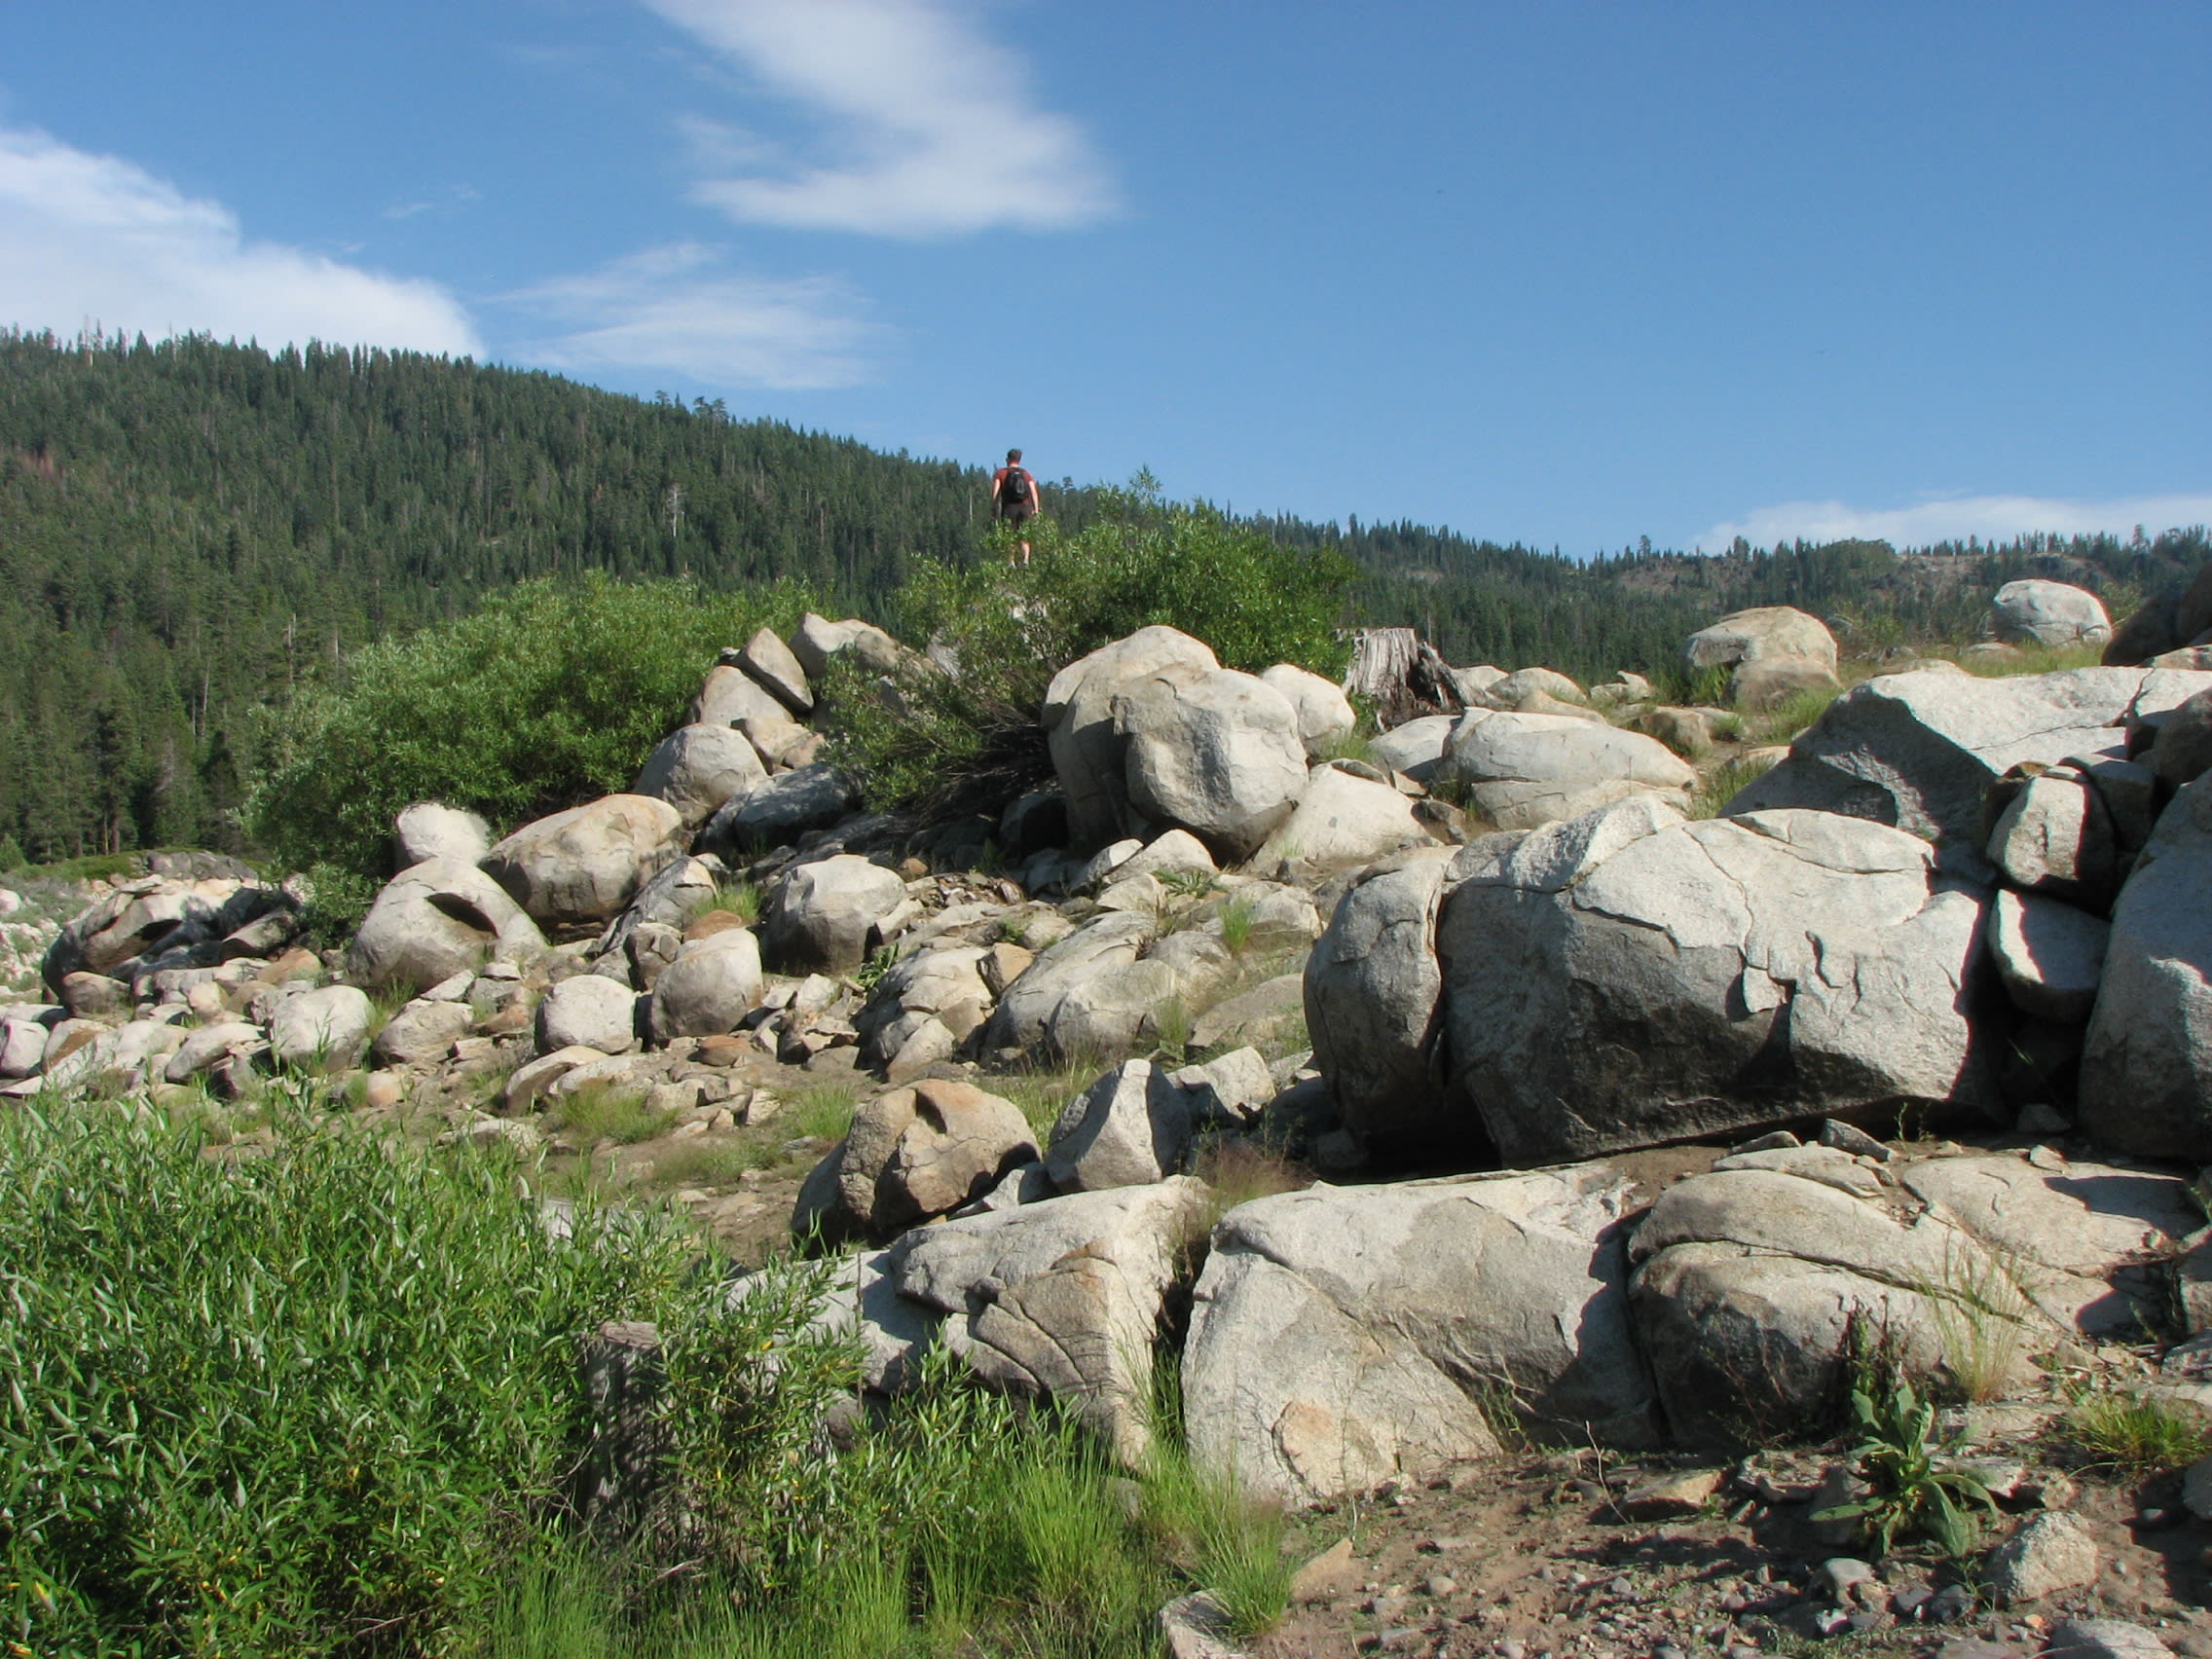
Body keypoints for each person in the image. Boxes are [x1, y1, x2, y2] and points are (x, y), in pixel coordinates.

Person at [990, 448, 1041, 567]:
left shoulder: (1001, 473)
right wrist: (1036, 509)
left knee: (1010, 535)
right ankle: (1025, 560)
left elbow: (995, 493)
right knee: (1025, 535)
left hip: (1009, 507)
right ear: (1019, 460)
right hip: (1025, 507)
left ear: (1007, 460)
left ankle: (1011, 562)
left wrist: (993, 508)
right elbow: (1033, 492)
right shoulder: (1026, 474)